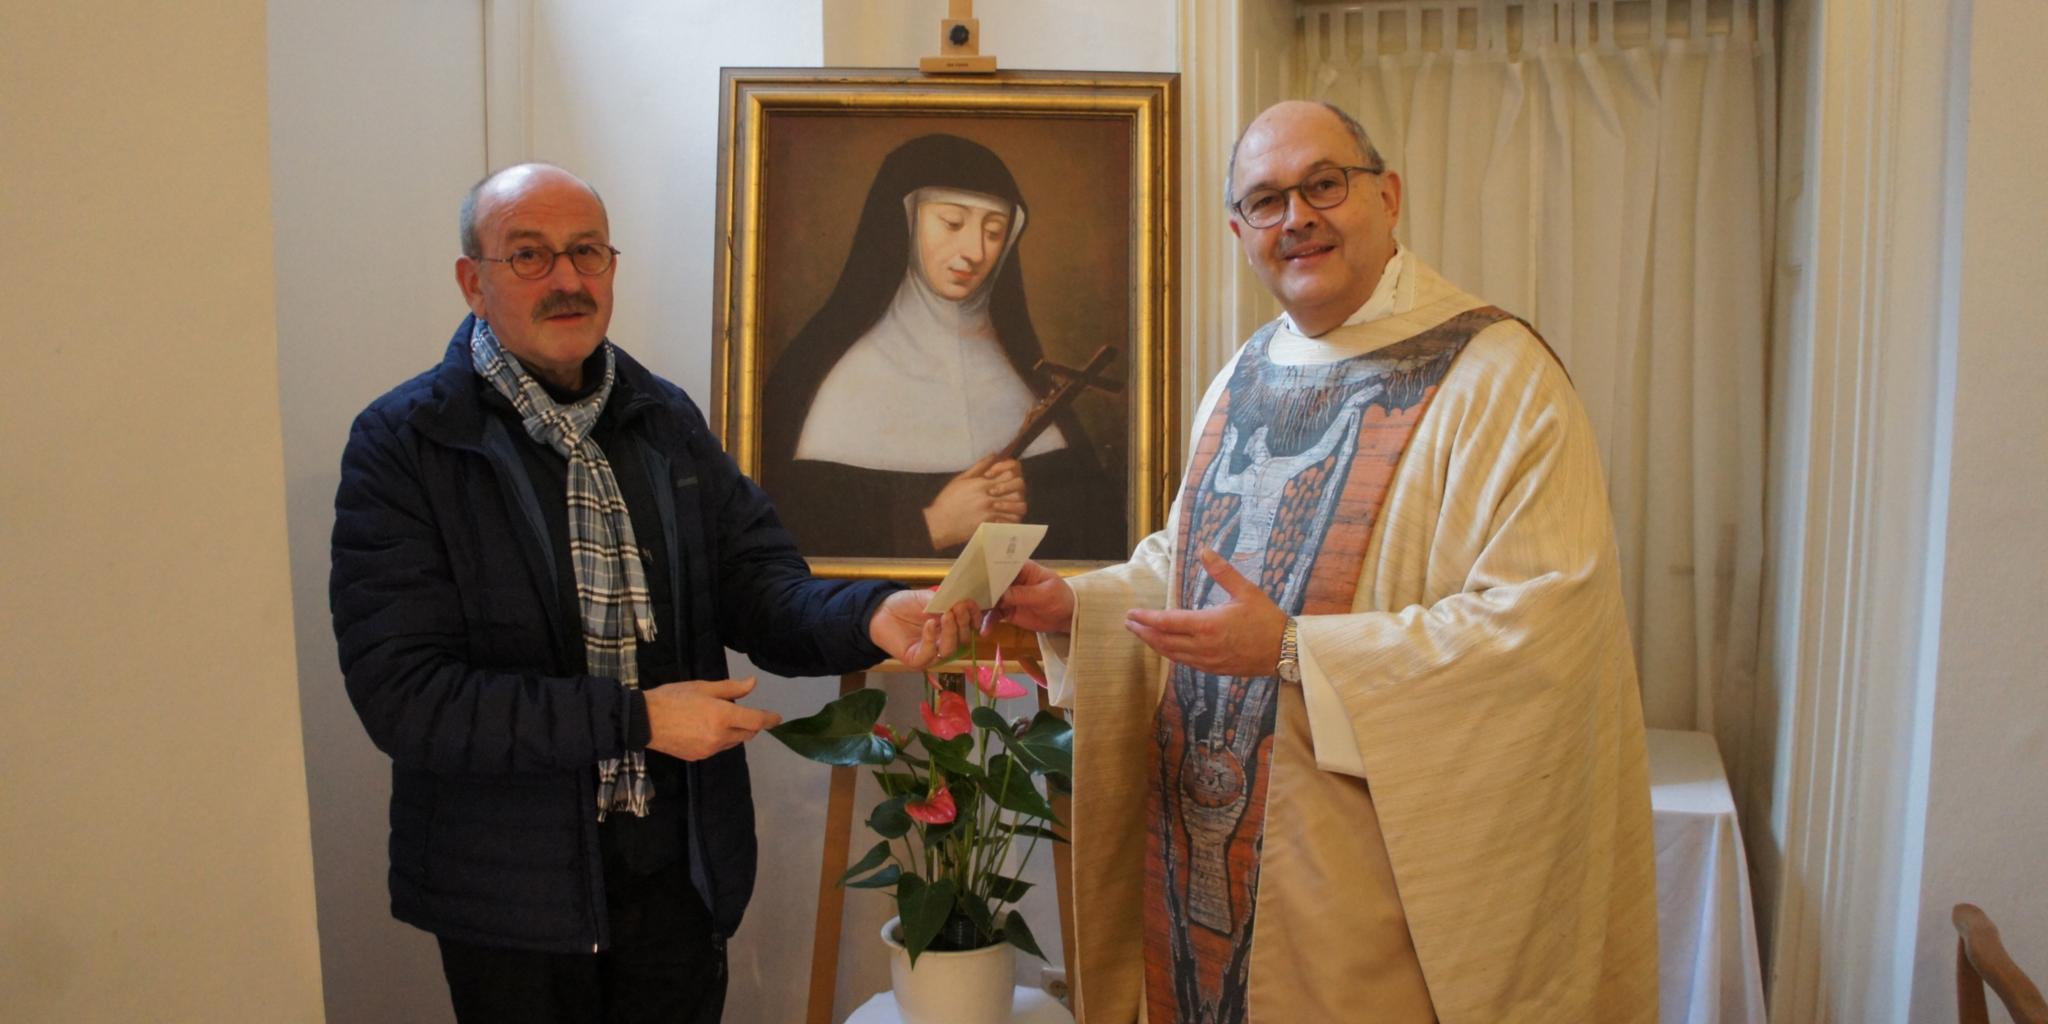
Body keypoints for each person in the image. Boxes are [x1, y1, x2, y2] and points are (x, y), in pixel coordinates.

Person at [989, 101, 1659, 1022]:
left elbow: (1540, 633)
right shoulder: (1245, 374)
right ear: (1239, 231)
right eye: (1266, 200)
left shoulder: (1498, 377)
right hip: (1198, 853)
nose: (1297, 216)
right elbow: (1185, 562)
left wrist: (1298, 650)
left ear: (1387, 196)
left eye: (1324, 184)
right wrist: (1080, 607)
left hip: (1363, 888)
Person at [329, 163, 972, 1024]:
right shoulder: (404, 443)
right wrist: (637, 719)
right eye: (529, 256)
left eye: (586, 252)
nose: (567, 280)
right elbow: (405, 700)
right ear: (471, 282)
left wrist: (868, 617)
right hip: (510, 902)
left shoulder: (662, 420)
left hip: (677, 875)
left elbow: (759, 590)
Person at [761, 133, 1124, 561]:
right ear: (908, 222)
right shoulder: (827, 377)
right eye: (952, 223)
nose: (973, 251)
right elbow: (786, 549)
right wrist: (931, 525)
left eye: (994, 232)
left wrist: (1024, 508)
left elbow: (1097, 546)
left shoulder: (1022, 375)